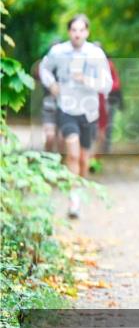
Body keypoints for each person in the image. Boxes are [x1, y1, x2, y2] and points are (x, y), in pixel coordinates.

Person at [38, 14, 113, 218]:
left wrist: (87, 80)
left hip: (89, 111)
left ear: (87, 32)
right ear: (69, 32)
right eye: (74, 30)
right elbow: (44, 69)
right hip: (67, 108)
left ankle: (79, 190)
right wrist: (52, 84)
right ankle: (73, 201)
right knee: (71, 154)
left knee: (83, 159)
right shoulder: (58, 52)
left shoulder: (95, 54)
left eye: (81, 30)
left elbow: (107, 84)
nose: (77, 34)